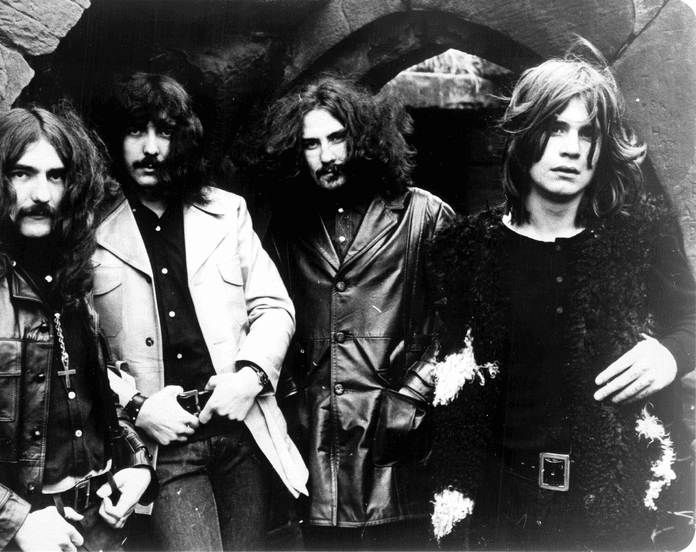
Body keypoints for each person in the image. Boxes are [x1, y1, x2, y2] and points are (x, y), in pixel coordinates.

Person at [422, 41, 696, 549]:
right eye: (554, 128)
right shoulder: (468, 248)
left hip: (615, 512)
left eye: (587, 132)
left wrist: (673, 354)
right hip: (505, 515)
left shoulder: (640, 238)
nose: (571, 148)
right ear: (524, 135)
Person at [0, 107, 156, 552]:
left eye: (56, 176)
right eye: (22, 174)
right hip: (1, 536)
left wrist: (135, 464)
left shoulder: (72, 266)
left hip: (96, 524)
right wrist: (16, 522)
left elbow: (94, 393)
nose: (41, 194)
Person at [92, 72, 308, 551]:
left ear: (183, 140)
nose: (151, 148)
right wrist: (138, 407)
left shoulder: (228, 212)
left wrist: (249, 378)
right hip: (162, 444)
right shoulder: (90, 231)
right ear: (114, 139)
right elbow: (79, 348)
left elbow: (274, 306)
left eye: (165, 132)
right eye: (136, 131)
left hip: (242, 430)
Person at [257, 75, 454, 550]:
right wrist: (294, 405)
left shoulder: (424, 215)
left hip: (400, 449)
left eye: (337, 138)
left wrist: (413, 396)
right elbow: (266, 318)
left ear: (364, 138)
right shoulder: (286, 228)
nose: (326, 156)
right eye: (311, 144)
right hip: (318, 452)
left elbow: (463, 324)